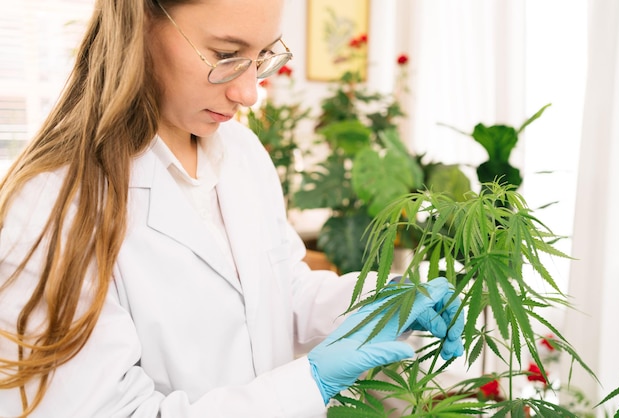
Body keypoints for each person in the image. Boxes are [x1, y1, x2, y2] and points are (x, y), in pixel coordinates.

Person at [0, 0, 464, 417]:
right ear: (140, 21)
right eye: (225, 55)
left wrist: (376, 301)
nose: (249, 92)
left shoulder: (239, 150)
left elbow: (280, 290)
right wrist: (311, 382)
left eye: (262, 56)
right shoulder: (52, 204)